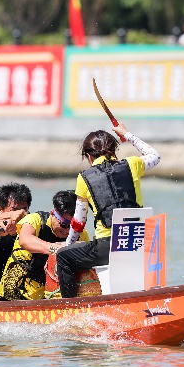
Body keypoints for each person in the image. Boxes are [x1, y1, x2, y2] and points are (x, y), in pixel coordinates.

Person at [56, 122, 160, 299]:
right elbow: (155, 156)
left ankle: (70, 310)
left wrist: (67, 245)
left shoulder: (84, 178)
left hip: (108, 247)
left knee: (64, 257)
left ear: (88, 156)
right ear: (113, 150)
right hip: (142, 243)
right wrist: (127, 134)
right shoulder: (132, 164)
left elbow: (79, 223)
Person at [0, 190, 88, 301]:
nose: (69, 231)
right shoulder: (35, 220)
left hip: (46, 299)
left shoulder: (81, 234)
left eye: (74, 226)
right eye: (64, 224)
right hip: (13, 296)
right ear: (53, 213)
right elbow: (25, 240)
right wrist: (56, 248)